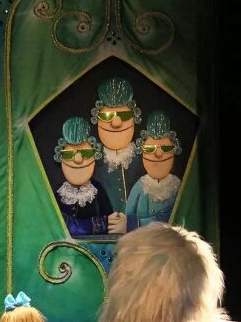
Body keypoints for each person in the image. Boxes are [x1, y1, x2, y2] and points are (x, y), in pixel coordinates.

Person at [53, 116, 120, 236]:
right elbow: (58, 226)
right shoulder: (58, 192)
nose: (78, 159)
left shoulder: (97, 190)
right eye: (69, 154)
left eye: (86, 153)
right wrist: (100, 224)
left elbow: (110, 223)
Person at [122, 110, 183, 230]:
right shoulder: (141, 185)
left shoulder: (176, 185)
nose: (158, 154)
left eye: (166, 148)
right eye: (150, 149)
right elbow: (128, 217)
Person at [90, 77, 142, 213]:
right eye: (107, 116)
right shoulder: (94, 159)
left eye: (124, 115)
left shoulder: (142, 157)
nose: (116, 122)